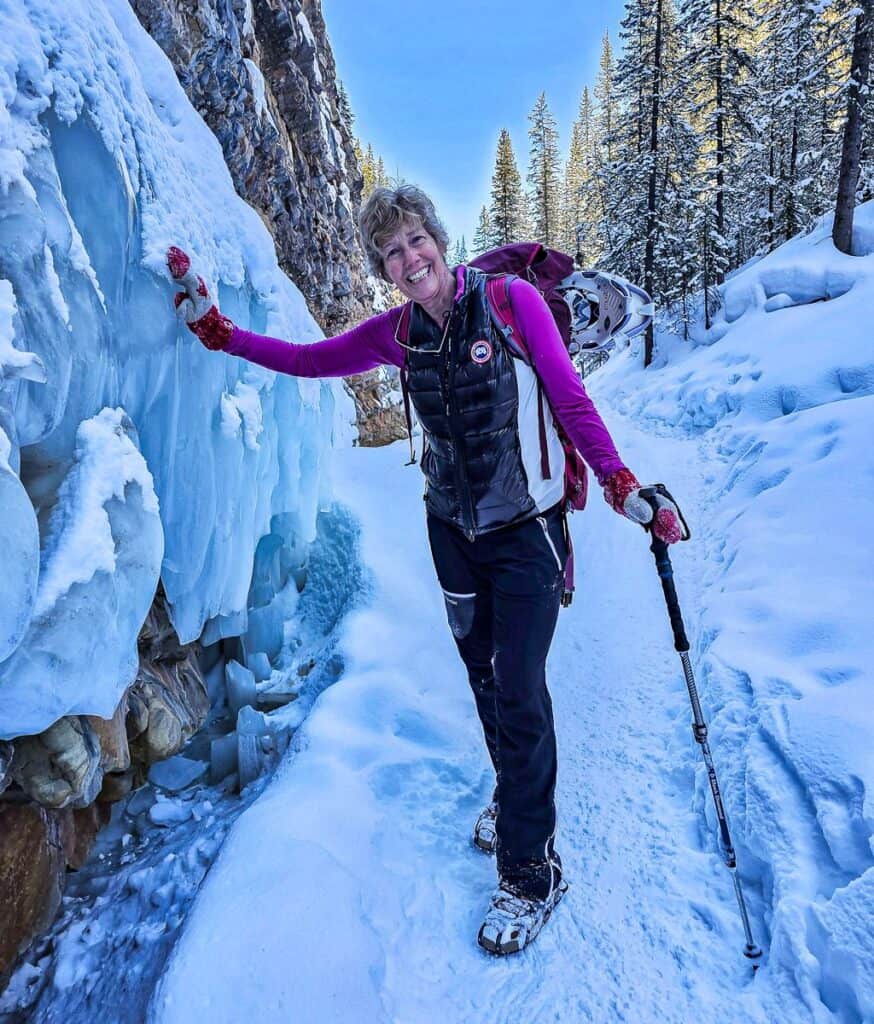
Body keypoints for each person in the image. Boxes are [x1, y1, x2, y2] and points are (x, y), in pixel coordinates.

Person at [167, 184, 683, 957]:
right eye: (391, 254)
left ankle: (530, 873)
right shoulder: (399, 333)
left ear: (439, 240)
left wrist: (617, 481)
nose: (409, 260)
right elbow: (309, 360)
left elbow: (570, 400)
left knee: (519, 688)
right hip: (452, 533)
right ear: (385, 269)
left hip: (528, 533)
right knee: (482, 676)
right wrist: (219, 333)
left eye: (415, 242)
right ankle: (512, 795)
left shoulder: (510, 304)